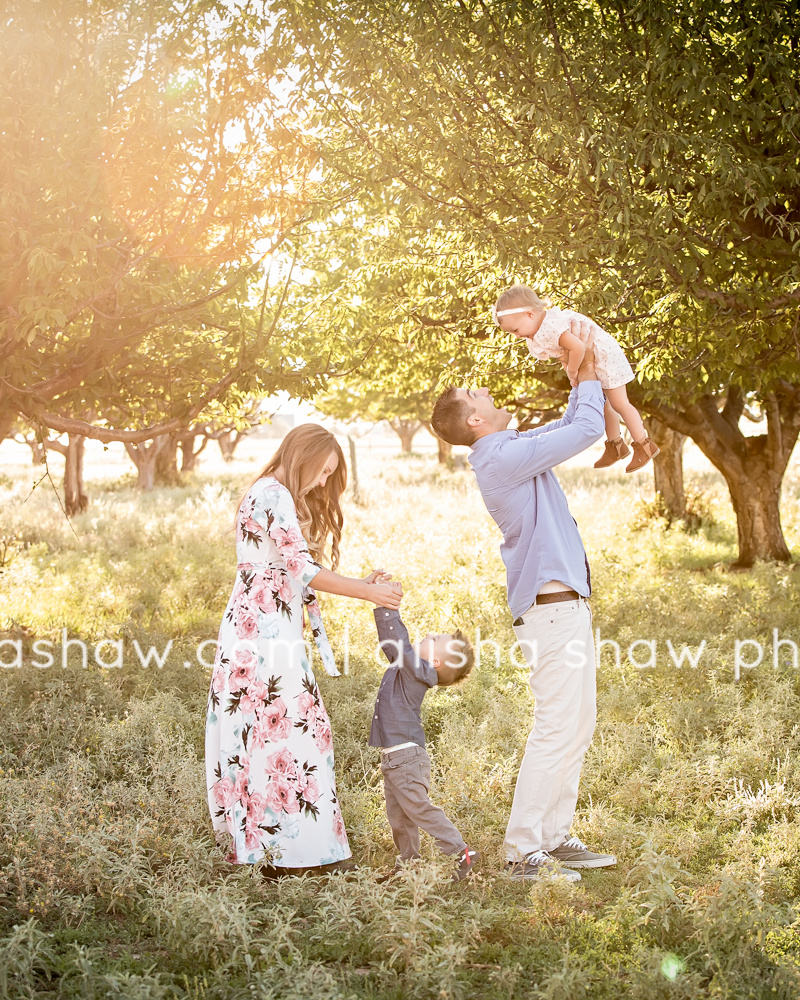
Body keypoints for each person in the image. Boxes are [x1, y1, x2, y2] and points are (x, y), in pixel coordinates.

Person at [430, 350, 617, 881]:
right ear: (474, 420)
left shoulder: (512, 448)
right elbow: (583, 430)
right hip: (551, 611)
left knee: (577, 725)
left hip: (566, 607)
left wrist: (577, 379)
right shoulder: (499, 458)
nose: (489, 392)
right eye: (479, 395)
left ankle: (555, 838)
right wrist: (582, 372)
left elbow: (565, 425)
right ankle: (521, 852)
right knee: (556, 727)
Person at [205, 423, 402, 875]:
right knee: (291, 730)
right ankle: (295, 851)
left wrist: (359, 585)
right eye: (321, 471)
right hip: (264, 632)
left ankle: (277, 849)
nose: (320, 482)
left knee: (267, 732)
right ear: (302, 456)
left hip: (263, 626)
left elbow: (293, 569)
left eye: (330, 475)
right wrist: (368, 593)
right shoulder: (274, 493)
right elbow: (302, 569)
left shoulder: (269, 490)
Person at [369, 594, 479, 882]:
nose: (428, 634)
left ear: (437, 661)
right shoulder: (409, 669)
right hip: (396, 757)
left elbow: (399, 646)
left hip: (406, 757)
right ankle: (409, 865)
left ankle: (460, 851)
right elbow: (394, 647)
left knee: (418, 807)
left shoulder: (419, 671)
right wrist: (382, 607)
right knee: (400, 816)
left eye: (435, 638)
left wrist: (388, 606)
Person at [493, 284, 659, 472]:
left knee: (620, 403)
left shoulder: (549, 326)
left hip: (605, 357)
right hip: (596, 358)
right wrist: (572, 372)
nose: (516, 336)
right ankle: (615, 445)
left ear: (529, 314)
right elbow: (563, 352)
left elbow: (579, 348)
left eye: (515, 330)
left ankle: (643, 445)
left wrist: (572, 371)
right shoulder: (540, 329)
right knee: (605, 404)